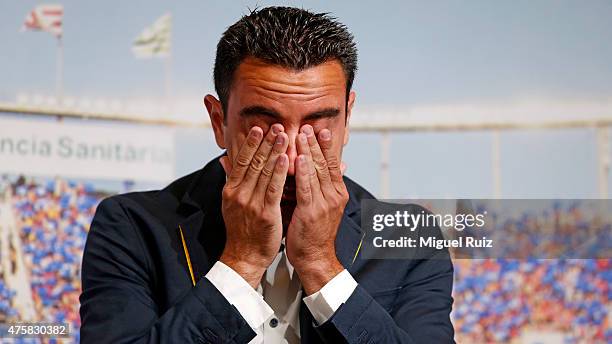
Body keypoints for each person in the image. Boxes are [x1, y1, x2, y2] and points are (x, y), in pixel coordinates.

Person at [79, 6, 454, 343]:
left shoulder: (409, 236)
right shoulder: (132, 227)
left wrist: (323, 266)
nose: (292, 158)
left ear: (347, 117)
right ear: (218, 121)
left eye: (316, 128)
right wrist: (241, 262)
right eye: (265, 129)